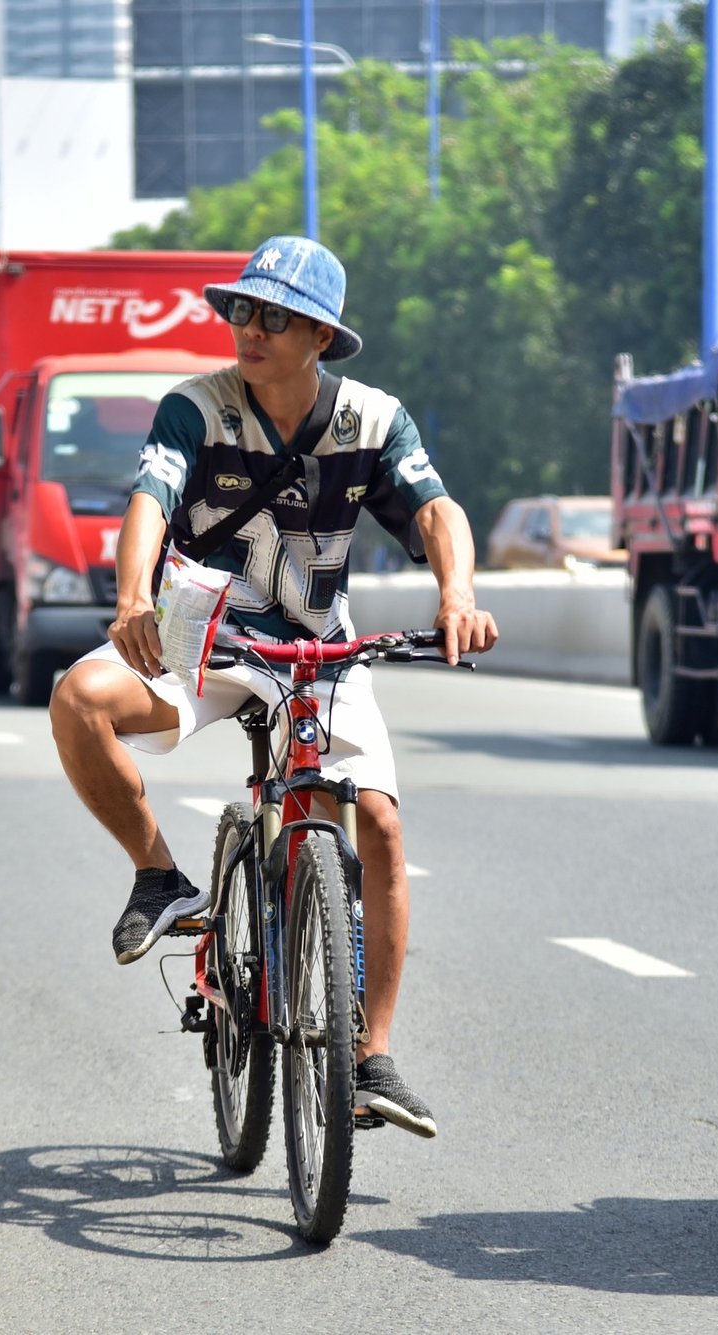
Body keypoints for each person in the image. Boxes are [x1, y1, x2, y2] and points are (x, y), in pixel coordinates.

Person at [48, 235, 498, 1138]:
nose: (248, 329)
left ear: (321, 336)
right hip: (200, 639)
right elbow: (151, 499)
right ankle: (159, 878)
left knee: (378, 822)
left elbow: (436, 510)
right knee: (77, 700)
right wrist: (133, 596)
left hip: (316, 652)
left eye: (274, 315)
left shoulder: (372, 420)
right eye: (240, 310)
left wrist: (460, 597)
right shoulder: (195, 408)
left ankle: (371, 1056)